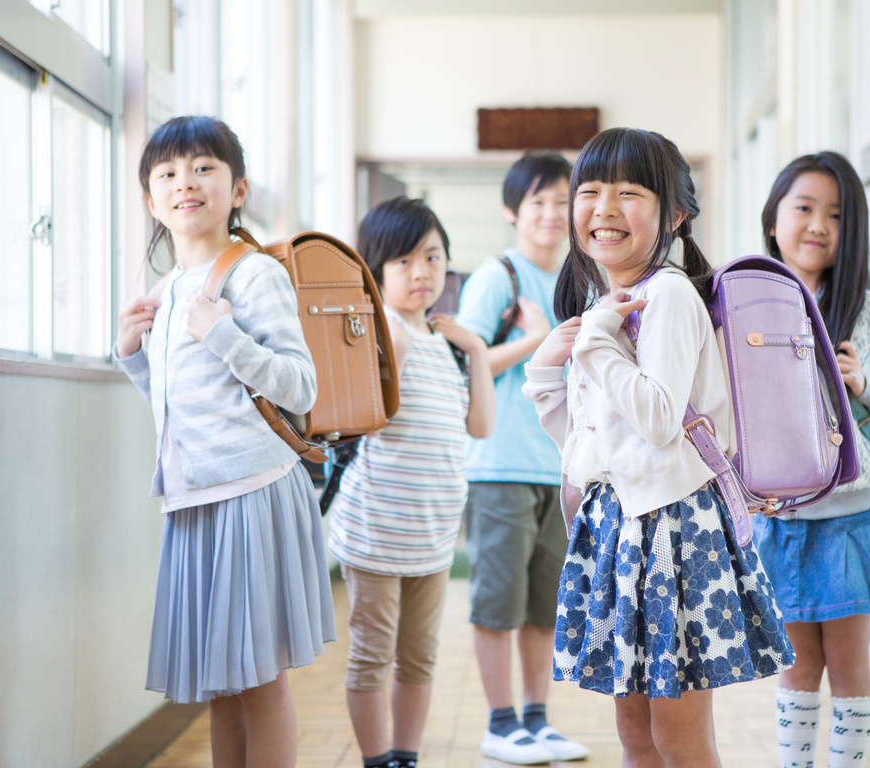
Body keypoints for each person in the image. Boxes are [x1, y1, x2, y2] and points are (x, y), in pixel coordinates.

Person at [523, 127, 796, 768]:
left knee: (676, 731)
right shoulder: (608, 304)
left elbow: (656, 418)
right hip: (622, 524)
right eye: (589, 191)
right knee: (635, 728)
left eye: (629, 191)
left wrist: (594, 343)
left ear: (674, 213)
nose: (605, 207)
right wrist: (544, 375)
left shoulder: (667, 293)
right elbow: (593, 445)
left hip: (674, 526)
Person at [115, 115, 336, 768]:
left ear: (238, 190)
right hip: (196, 500)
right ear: (151, 199)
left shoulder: (254, 274)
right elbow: (184, 409)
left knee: (260, 681)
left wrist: (223, 336)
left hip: (253, 495)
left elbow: (300, 387)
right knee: (221, 688)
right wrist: (132, 357)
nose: (186, 182)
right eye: (168, 173)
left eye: (204, 167)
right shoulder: (166, 290)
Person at [755, 151, 870, 768]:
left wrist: (869, 387)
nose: (818, 225)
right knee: (798, 666)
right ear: (773, 219)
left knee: (850, 664)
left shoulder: (867, 310)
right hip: (777, 516)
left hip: (852, 515)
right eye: (803, 208)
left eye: (836, 214)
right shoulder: (744, 304)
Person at [328, 197, 496, 768]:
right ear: (375, 272)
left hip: (433, 537)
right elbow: (364, 414)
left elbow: (481, 425)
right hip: (377, 533)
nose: (420, 272)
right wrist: (389, 343)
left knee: (420, 658)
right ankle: (379, 761)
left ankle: (406, 755)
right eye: (402, 261)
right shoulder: (380, 336)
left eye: (431, 256)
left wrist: (475, 349)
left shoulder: (447, 346)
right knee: (372, 657)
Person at [456, 151, 590, 763]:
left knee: (544, 607)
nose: (551, 214)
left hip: (558, 469)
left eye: (561, 201)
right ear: (513, 211)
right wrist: (537, 340)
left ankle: (536, 721)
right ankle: (499, 721)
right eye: (537, 201)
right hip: (500, 466)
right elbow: (464, 361)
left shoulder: (575, 281)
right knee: (497, 603)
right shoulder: (497, 277)